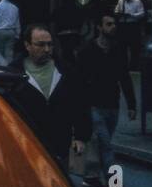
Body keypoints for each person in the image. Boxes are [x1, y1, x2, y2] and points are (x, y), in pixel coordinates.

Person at [9, 24, 92, 169]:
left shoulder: (66, 72)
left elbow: (80, 105)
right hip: (26, 146)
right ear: (27, 45)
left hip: (58, 145)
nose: (46, 49)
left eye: (49, 45)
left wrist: (81, 137)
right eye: (40, 45)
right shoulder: (13, 74)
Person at [76, 13, 135, 187]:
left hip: (112, 104)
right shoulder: (88, 50)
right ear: (99, 27)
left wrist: (131, 104)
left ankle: (91, 175)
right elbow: (79, 79)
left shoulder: (118, 50)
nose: (113, 27)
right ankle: (115, 182)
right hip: (93, 104)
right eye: (108, 24)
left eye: (114, 24)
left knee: (103, 143)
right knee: (107, 145)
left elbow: (125, 77)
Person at [114, 0, 147, 69]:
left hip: (133, 26)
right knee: (122, 47)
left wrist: (131, 15)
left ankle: (134, 66)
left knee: (134, 47)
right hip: (123, 25)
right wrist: (118, 13)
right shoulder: (121, 1)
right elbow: (116, 10)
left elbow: (142, 13)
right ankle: (123, 65)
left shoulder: (137, 2)